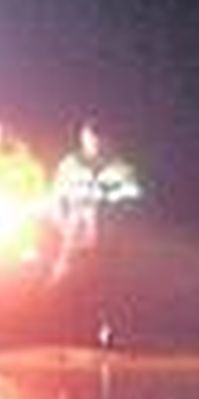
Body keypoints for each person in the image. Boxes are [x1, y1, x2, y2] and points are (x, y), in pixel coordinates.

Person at [49, 120, 140, 282]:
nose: (93, 143)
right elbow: (55, 196)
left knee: (109, 287)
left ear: (106, 140)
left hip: (109, 244)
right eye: (89, 138)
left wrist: (108, 197)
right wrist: (62, 225)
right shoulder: (70, 164)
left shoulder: (120, 167)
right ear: (82, 139)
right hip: (74, 240)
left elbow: (134, 194)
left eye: (97, 138)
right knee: (61, 284)